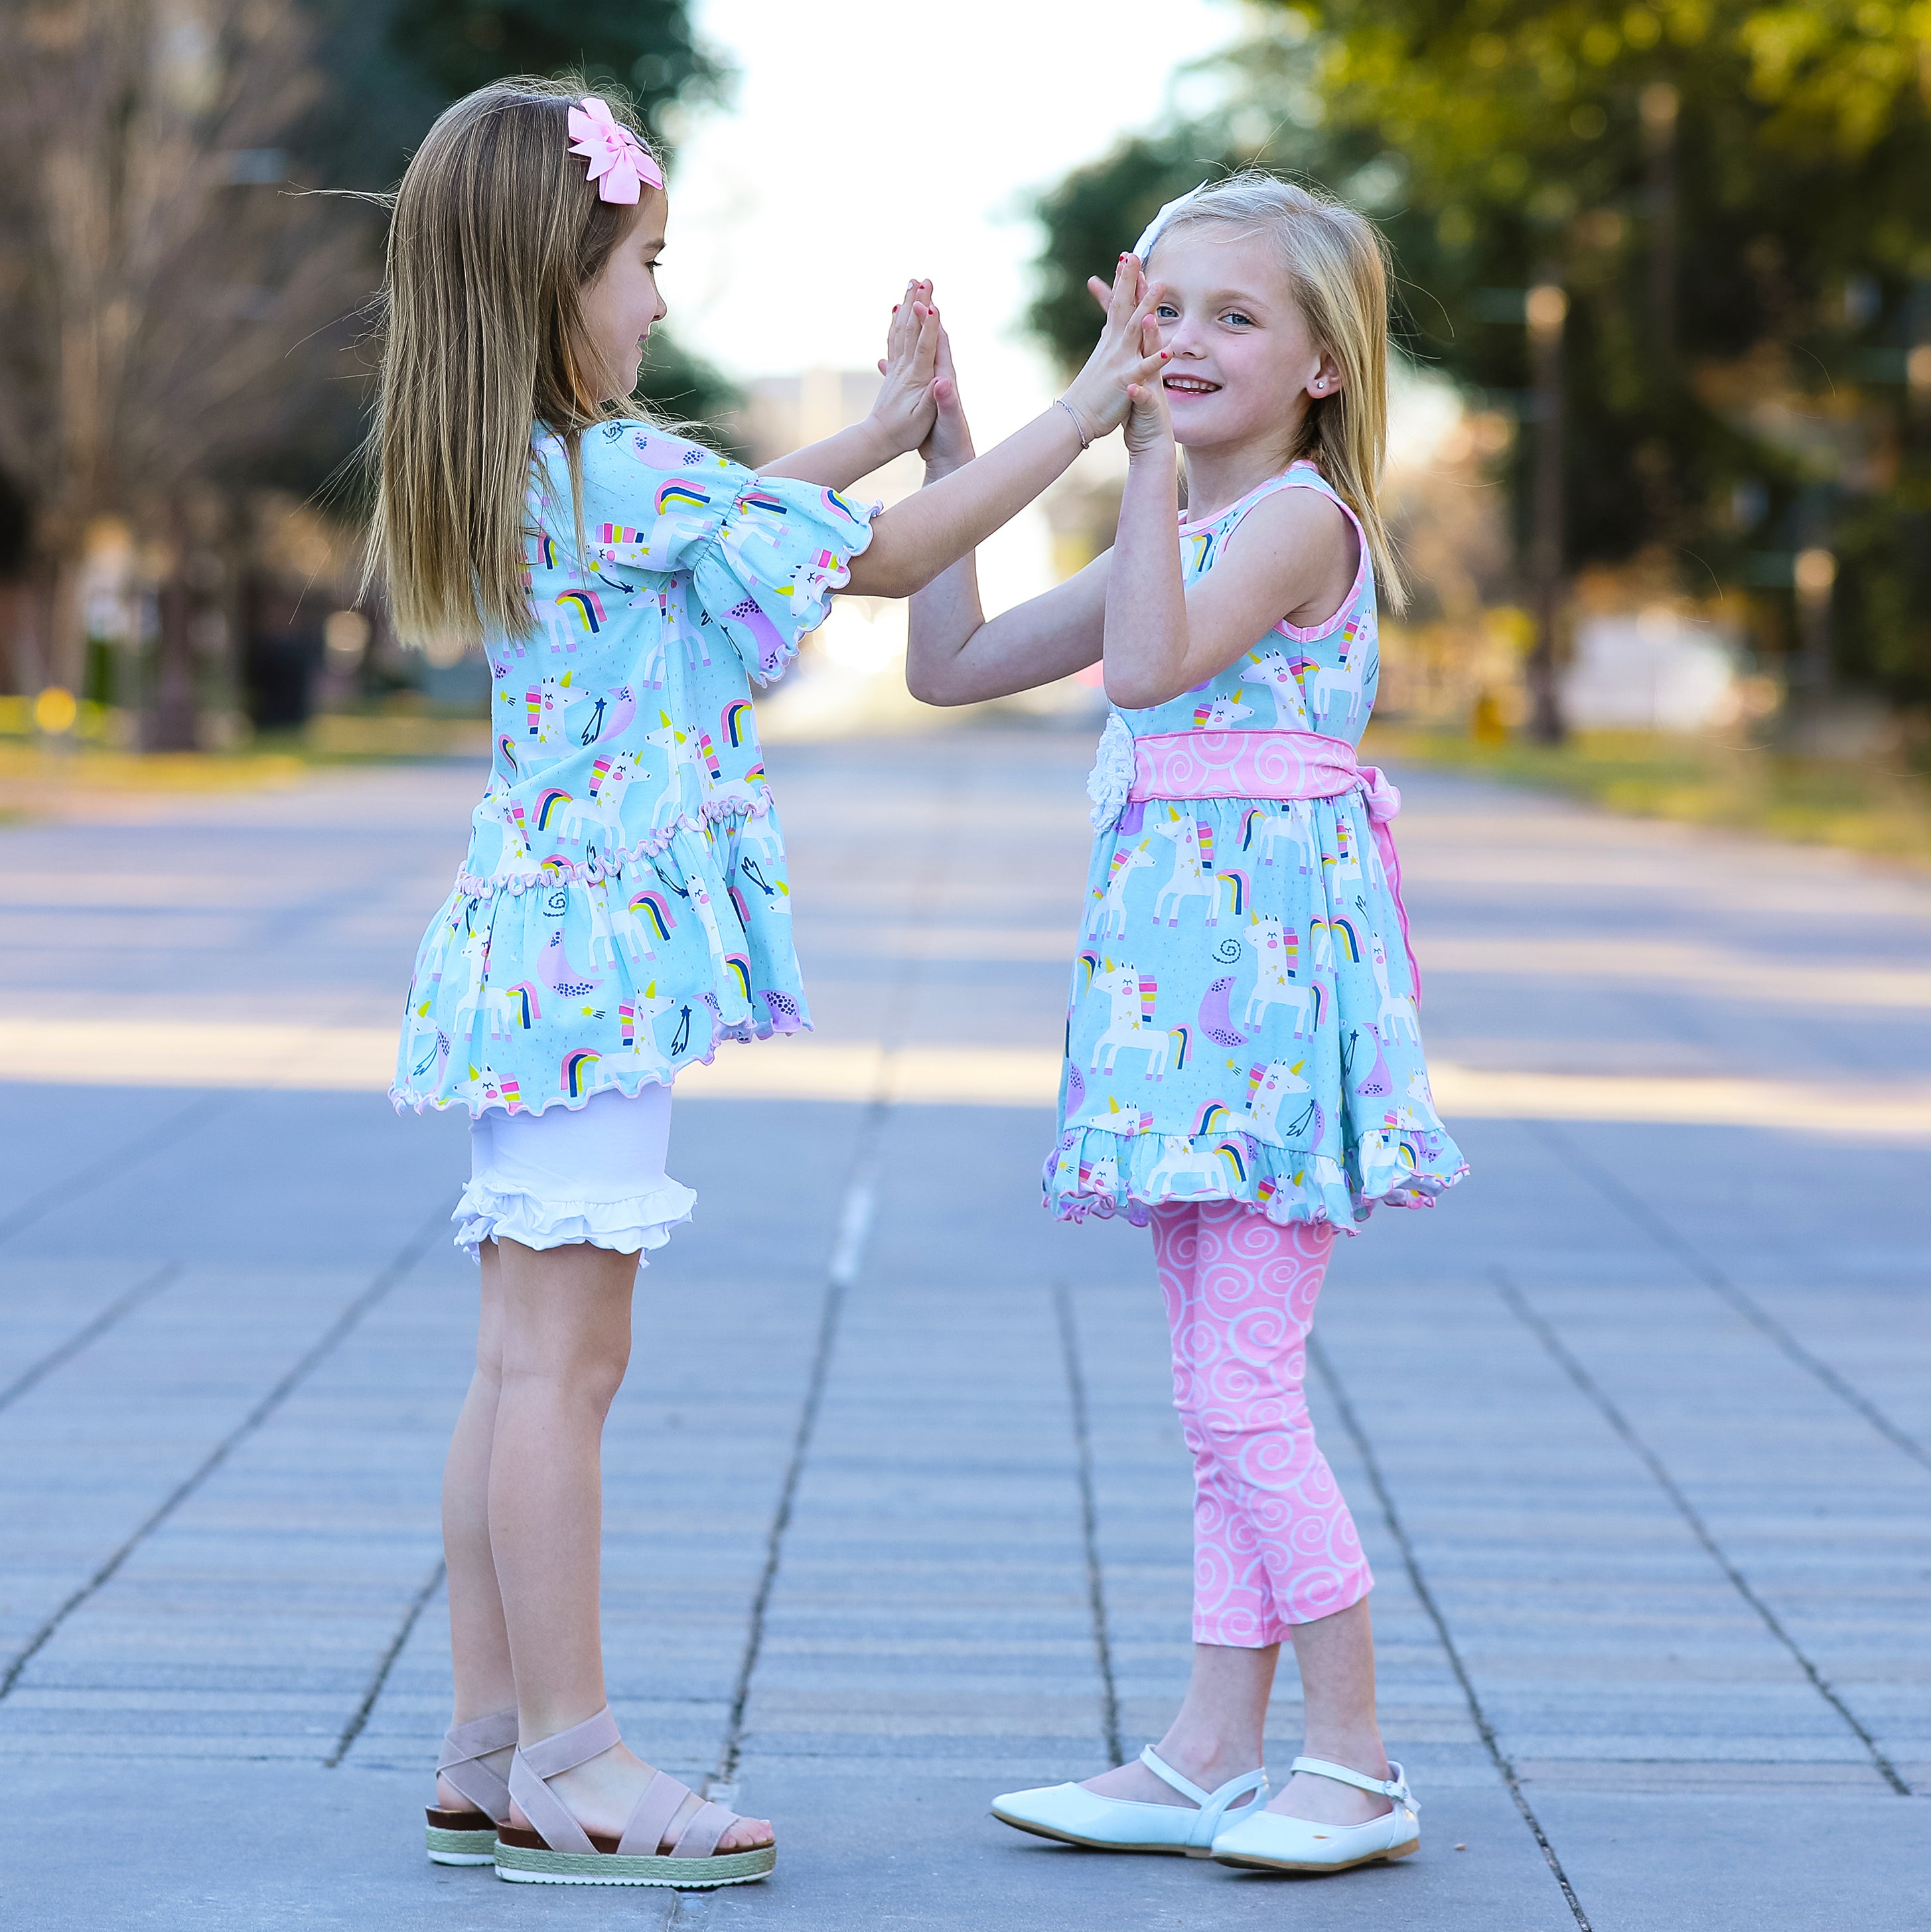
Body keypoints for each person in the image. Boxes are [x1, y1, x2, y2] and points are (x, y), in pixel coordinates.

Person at [374, 77, 1166, 1888]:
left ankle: (486, 1738)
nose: (658, 299)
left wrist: (891, 422)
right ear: (547, 279)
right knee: (566, 1368)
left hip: (524, 948)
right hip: (591, 967)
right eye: (642, 264)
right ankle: (574, 1762)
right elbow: (879, 563)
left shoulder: (535, 461)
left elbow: (737, 510)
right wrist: (1082, 407)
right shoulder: (608, 464)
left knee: (516, 1359)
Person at [904, 173, 1467, 1877]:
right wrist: (951, 445)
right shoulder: (1177, 524)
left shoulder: (1293, 519)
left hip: (1275, 1021)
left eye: (1236, 317)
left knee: (1242, 1395)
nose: (1187, 344)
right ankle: (1212, 1748)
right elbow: (952, 658)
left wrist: (1136, 455)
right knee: (1209, 1389)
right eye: (1169, 311)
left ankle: (1356, 1759)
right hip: (1177, 1025)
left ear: (1320, 364)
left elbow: (1146, 669)